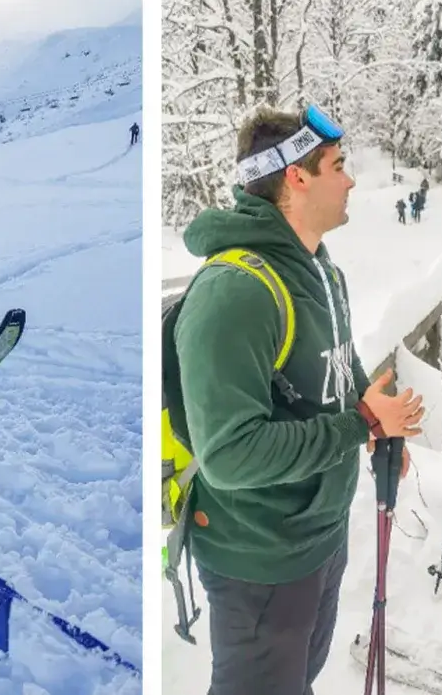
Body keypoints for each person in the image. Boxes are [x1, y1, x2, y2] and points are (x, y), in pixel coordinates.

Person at [170, 104, 424, 695]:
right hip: (257, 557)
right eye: (338, 165)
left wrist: (370, 412)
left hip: (316, 537)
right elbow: (230, 455)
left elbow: (338, 363)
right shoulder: (235, 293)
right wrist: (358, 426)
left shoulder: (318, 269)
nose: (352, 179)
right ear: (296, 177)